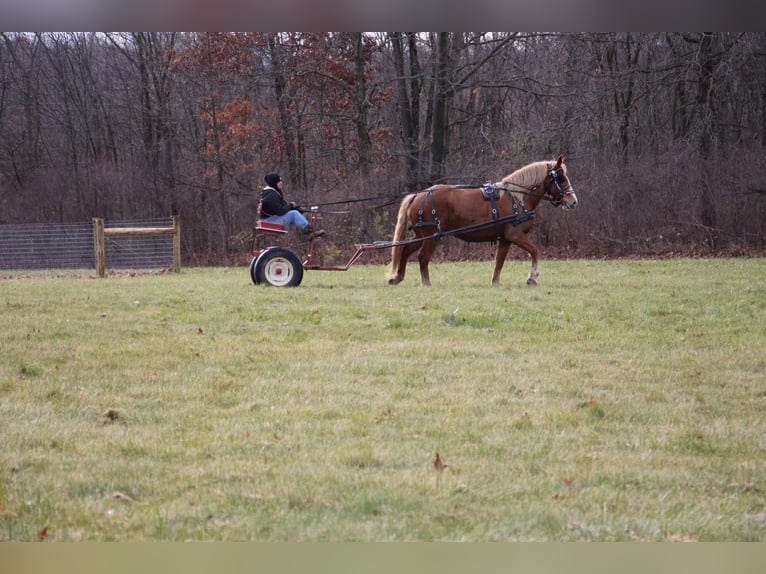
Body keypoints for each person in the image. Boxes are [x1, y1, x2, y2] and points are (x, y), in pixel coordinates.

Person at [259, 172, 324, 239]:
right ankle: (309, 232)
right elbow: (280, 211)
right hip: (270, 222)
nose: (281, 183)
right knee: (294, 214)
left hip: (272, 219)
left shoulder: (271, 193)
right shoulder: (271, 195)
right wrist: (290, 206)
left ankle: (309, 233)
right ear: (274, 183)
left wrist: (295, 208)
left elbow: (281, 208)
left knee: (298, 212)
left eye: (281, 181)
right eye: (279, 181)